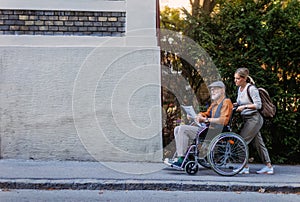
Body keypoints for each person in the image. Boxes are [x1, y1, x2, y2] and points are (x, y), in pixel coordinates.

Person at [171, 81, 233, 167]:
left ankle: (182, 158)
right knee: (177, 129)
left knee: (182, 129)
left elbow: (223, 120)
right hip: (209, 129)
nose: (212, 91)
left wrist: (206, 120)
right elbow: (206, 113)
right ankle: (180, 156)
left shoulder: (226, 102)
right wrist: (198, 116)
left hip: (216, 131)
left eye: (215, 89)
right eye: (211, 90)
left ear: (222, 90)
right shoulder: (215, 103)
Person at [234, 67, 274, 174]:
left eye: (237, 78)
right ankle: (268, 166)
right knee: (259, 143)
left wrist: (244, 107)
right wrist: (234, 105)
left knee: (241, 141)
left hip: (254, 119)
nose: (235, 81)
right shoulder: (240, 89)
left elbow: (258, 105)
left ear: (244, 79)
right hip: (247, 119)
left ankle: (245, 167)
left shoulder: (251, 89)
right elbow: (240, 102)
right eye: (235, 78)